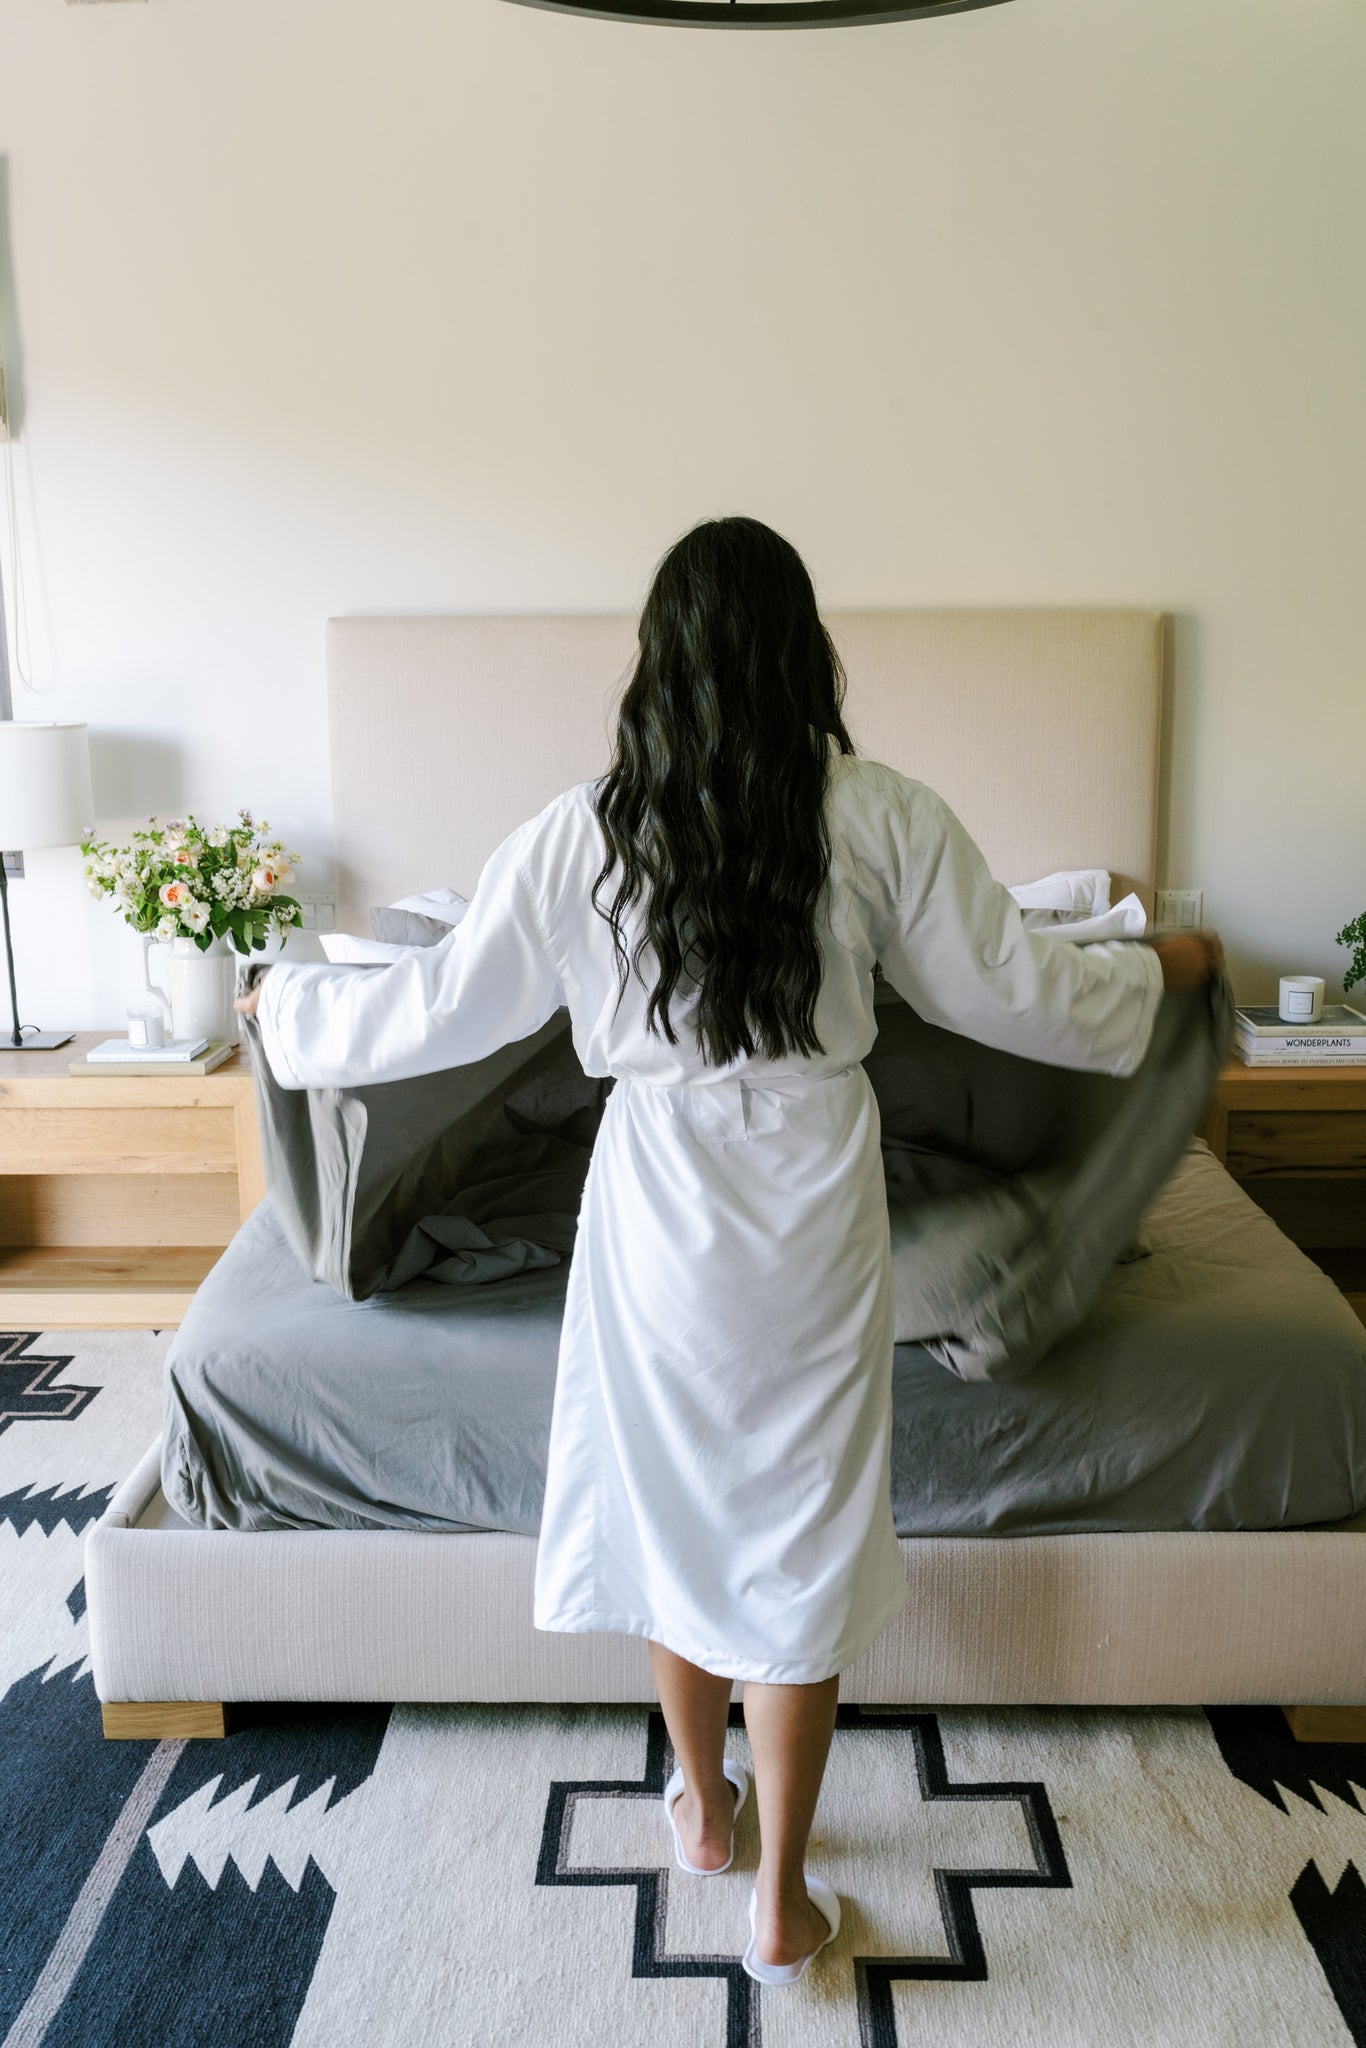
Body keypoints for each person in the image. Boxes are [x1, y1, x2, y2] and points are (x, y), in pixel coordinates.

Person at [236, 517, 1222, 1984]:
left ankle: (700, 1807)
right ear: (797, 651)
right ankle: (779, 1896)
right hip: (814, 1200)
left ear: (660, 661)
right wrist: (1167, 967)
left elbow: (437, 1006)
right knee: (799, 1529)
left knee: (673, 1504)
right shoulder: (877, 811)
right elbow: (1019, 989)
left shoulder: (582, 830)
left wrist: (281, 1008)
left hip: (657, 1201)